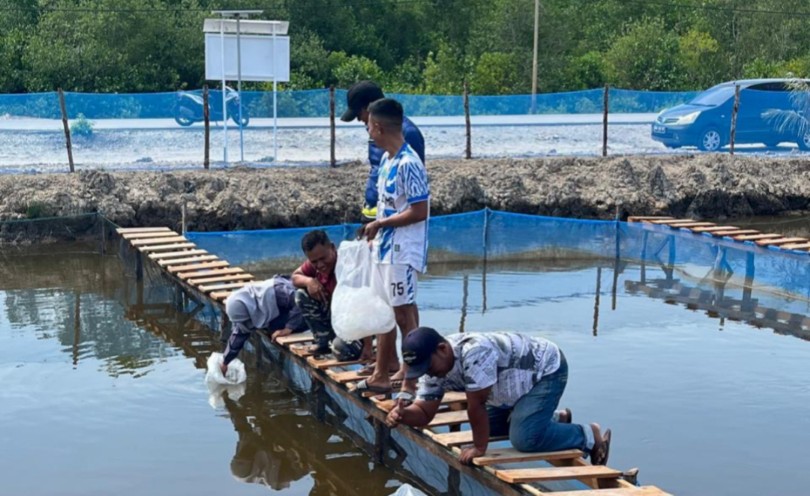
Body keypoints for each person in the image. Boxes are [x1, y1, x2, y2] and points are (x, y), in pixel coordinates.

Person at [385, 327, 613, 467]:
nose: (427, 373)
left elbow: (476, 406)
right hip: (508, 389)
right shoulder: (433, 368)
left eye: (428, 366)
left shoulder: (474, 353)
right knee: (490, 428)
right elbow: (424, 413)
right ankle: (553, 420)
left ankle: (588, 436)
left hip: (544, 371)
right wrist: (402, 414)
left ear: (443, 349)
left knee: (524, 440)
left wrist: (479, 448)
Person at [357, 98, 430, 395]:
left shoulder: (409, 163)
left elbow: (419, 210)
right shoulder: (388, 160)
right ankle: (384, 371)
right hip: (385, 247)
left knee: (403, 314)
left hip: (403, 249)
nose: (368, 132)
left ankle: (412, 380)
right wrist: (376, 231)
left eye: (368, 126)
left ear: (378, 127)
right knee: (386, 310)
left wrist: (381, 224)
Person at [341, 81, 425, 219]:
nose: (358, 119)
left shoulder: (408, 134)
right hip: (375, 211)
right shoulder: (375, 133)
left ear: (369, 108)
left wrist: (384, 222)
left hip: (394, 219)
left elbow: (415, 187)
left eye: (359, 113)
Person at [291, 229, 365, 361]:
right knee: (301, 294)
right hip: (336, 317)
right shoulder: (315, 264)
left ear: (332, 248)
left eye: (323, 258)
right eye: (314, 261)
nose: (320, 265)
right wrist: (309, 281)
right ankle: (323, 340)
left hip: (357, 324)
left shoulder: (347, 264)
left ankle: (352, 343)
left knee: (340, 349)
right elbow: (295, 277)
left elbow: (365, 307)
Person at [221, 276, 306, 373]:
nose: (248, 323)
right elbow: (239, 333)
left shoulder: (275, 293)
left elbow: (300, 299)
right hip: (284, 311)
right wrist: (225, 361)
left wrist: (288, 328)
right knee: (273, 327)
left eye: (247, 320)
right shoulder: (248, 306)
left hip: (308, 305)